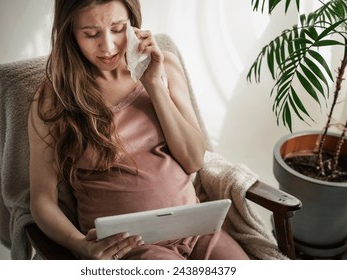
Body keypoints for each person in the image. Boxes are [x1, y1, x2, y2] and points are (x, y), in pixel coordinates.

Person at [28, 0, 249, 260]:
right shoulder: (54, 98)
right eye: (91, 33)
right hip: (128, 246)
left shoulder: (164, 66)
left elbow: (193, 160)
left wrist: (154, 84)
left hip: (197, 229)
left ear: (133, 23)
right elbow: (42, 199)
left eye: (118, 29)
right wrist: (79, 244)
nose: (108, 47)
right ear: (70, 33)